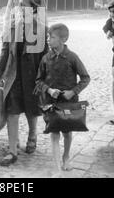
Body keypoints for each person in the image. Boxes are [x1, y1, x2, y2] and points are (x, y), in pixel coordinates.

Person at [0, 0, 48, 166]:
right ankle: (12, 150)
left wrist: (44, 79)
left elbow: (45, 57)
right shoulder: (12, 26)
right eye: (19, 5)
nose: (19, 8)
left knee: (32, 108)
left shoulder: (41, 29)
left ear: (34, 10)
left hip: (32, 75)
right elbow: (4, 50)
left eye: (24, 6)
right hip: (14, 74)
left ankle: (32, 135)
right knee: (12, 109)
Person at [35, 24, 90, 174]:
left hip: (68, 103)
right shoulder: (46, 58)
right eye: (48, 37)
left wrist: (73, 92)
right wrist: (49, 90)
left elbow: (85, 78)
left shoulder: (72, 57)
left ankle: (66, 156)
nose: (48, 40)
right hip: (51, 103)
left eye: (51, 37)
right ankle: (56, 167)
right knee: (53, 132)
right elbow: (38, 81)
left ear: (63, 39)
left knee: (66, 132)